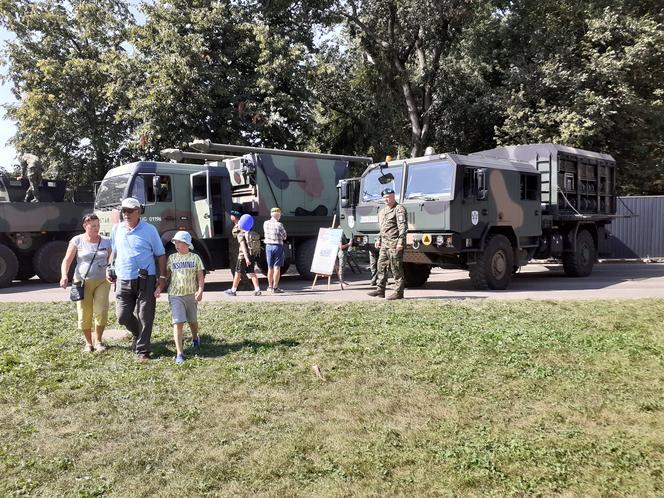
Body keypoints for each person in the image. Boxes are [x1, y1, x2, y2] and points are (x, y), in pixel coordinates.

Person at [108, 197, 166, 360]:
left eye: (129, 210)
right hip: (123, 279)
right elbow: (114, 250)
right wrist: (110, 267)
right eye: (123, 211)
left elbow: (160, 254)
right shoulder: (117, 229)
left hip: (146, 279)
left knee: (145, 316)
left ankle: (143, 350)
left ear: (138, 211)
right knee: (122, 316)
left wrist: (162, 277)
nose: (126, 214)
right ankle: (137, 334)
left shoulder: (150, 230)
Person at [60, 213, 112, 352]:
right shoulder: (77, 240)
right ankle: (88, 343)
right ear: (85, 226)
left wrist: (111, 271)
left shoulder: (107, 241)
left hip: (103, 281)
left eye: (98, 225)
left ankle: (99, 341)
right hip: (82, 282)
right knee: (84, 312)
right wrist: (64, 275)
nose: (97, 228)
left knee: (101, 311)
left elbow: (111, 259)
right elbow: (67, 260)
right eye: (93, 226)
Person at [156, 231, 204, 365]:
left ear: (187, 243)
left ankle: (195, 337)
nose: (176, 244)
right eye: (175, 242)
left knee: (193, 321)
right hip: (175, 295)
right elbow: (165, 276)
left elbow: (200, 276)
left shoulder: (195, 258)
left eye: (179, 242)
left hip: (191, 295)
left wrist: (200, 290)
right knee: (178, 322)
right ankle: (180, 353)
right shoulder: (171, 258)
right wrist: (160, 287)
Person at [368, 187, 408, 300]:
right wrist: (378, 239)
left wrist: (400, 242)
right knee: (381, 266)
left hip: (394, 244)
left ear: (393, 196)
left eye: (389, 196)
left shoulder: (399, 209)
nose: (387, 199)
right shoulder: (384, 211)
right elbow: (383, 228)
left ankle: (398, 293)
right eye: (385, 197)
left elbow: (403, 227)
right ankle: (380, 290)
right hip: (384, 244)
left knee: (396, 268)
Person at [225, 215, 262, 296]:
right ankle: (257, 289)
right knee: (252, 272)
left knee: (237, 272)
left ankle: (233, 290)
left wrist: (246, 258)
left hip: (243, 257)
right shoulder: (251, 233)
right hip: (251, 255)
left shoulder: (241, 234)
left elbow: (243, 247)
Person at [263, 207, 287, 293]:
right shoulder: (279, 225)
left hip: (268, 246)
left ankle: (269, 286)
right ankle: (275, 287)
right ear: (278, 215)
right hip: (277, 247)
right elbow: (284, 236)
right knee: (277, 267)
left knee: (270, 267)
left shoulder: (265, 223)